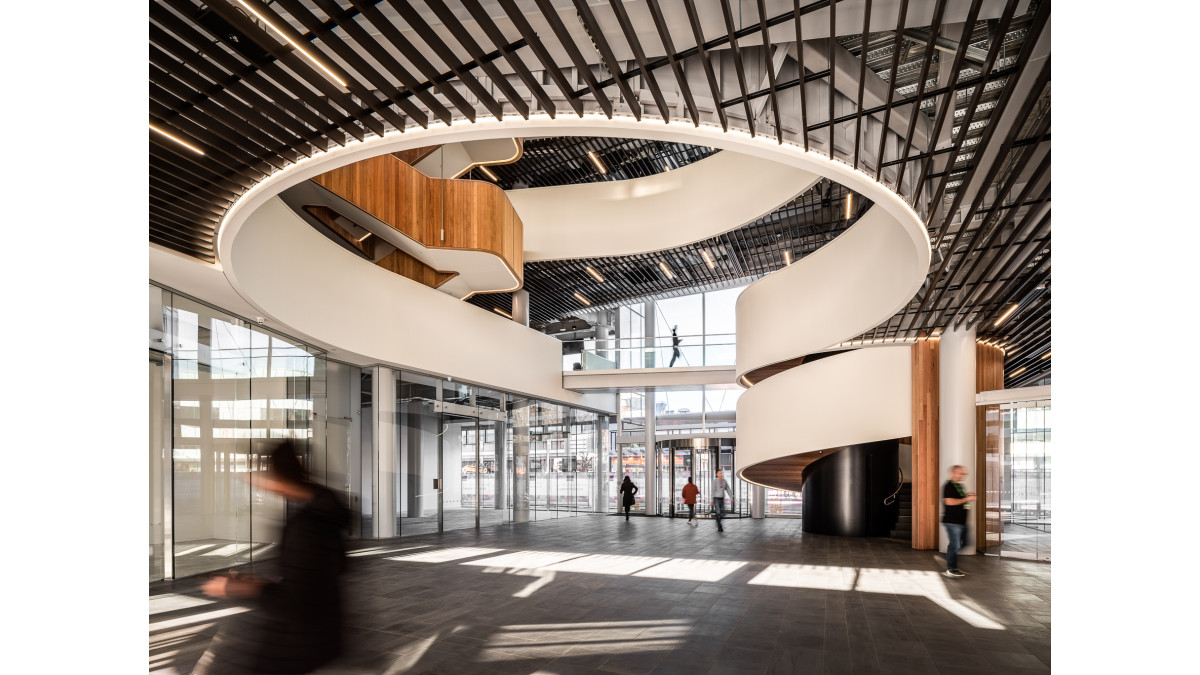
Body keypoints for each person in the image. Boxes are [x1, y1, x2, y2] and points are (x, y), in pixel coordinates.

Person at [193, 441, 350, 674]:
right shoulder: (325, 512)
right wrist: (259, 582)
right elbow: (318, 576)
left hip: (299, 643)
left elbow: (293, 603)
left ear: (276, 475)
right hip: (323, 634)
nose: (257, 482)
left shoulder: (305, 526)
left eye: (262, 473)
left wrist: (236, 588)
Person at [942, 464, 976, 578]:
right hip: (952, 521)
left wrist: (968, 496)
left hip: (962, 522)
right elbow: (949, 502)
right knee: (955, 545)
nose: (963, 475)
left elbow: (961, 501)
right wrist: (966, 498)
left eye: (964, 473)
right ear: (953, 473)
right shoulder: (949, 486)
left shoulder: (959, 486)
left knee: (966, 543)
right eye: (961, 473)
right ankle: (951, 569)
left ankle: (950, 555)